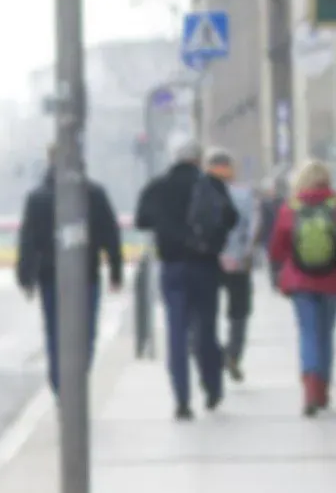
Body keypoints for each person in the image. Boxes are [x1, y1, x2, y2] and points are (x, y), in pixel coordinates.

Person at [136, 141, 237, 419]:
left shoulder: (158, 186)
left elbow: (141, 220)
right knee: (205, 328)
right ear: (198, 159)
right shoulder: (211, 184)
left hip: (173, 267)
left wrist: (167, 224)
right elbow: (231, 217)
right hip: (205, 267)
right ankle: (212, 387)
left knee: (177, 332)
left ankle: (182, 399)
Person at [16, 150, 124, 395]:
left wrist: (26, 276)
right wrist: (116, 270)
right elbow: (111, 234)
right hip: (87, 276)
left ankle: (60, 385)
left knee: (55, 333)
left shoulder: (38, 198)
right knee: (85, 333)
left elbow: (28, 240)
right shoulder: (94, 194)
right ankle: (77, 381)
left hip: (50, 278)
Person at [267, 159, 336, 416]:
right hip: (332, 281)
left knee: (308, 332)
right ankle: (323, 391)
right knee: (326, 334)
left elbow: (277, 246)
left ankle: (309, 390)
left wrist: (279, 271)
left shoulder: (291, 208)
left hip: (300, 281)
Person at [219, 164, 259, 381]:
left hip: (211, 262)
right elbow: (254, 227)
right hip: (239, 262)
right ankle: (233, 353)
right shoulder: (245, 195)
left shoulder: (203, 193)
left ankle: (213, 352)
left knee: (206, 312)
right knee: (240, 311)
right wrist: (247, 252)